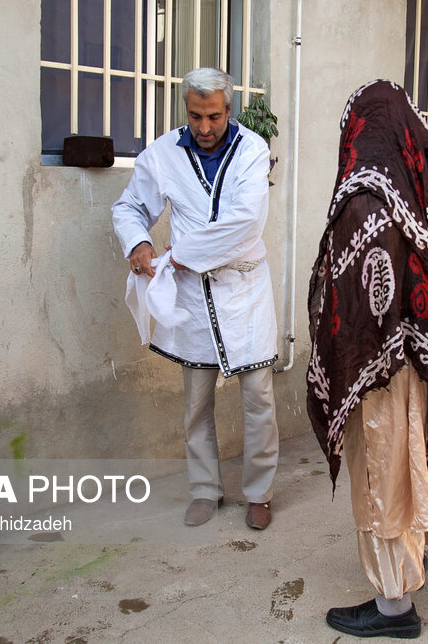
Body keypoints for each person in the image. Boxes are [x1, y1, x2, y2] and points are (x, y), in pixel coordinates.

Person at [307, 79, 428, 639]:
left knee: (384, 476)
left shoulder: (365, 200)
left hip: (376, 372)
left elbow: (351, 309)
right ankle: (407, 571)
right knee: (411, 466)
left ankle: (393, 609)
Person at [112, 68, 279, 530]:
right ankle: (205, 488)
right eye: (195, 116)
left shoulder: (252, 151)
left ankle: (259, 492)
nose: (204, 128)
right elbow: (129, 207)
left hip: (244, 291)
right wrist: (138, 244)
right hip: (192, 297)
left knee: (258, 399)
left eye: (214, 117)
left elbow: (245, 224)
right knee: (195, 402)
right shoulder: (163, 153)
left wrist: (180, 254)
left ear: (230, 110)